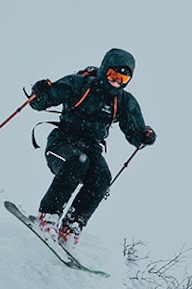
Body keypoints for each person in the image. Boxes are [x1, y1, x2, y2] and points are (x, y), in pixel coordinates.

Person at [28, 47, 156, 245]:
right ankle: (48, 216)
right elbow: (42, 101)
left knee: (102, 177)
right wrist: (41, 92)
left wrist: (144, 136)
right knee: (77, 162)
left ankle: (72, 226)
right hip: (62, 142)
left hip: (91, 147)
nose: (116, 81)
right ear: (104, 69)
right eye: (113, 75)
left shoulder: (123, 101)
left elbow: (134, 133)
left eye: (122, 79)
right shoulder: (79, 84)